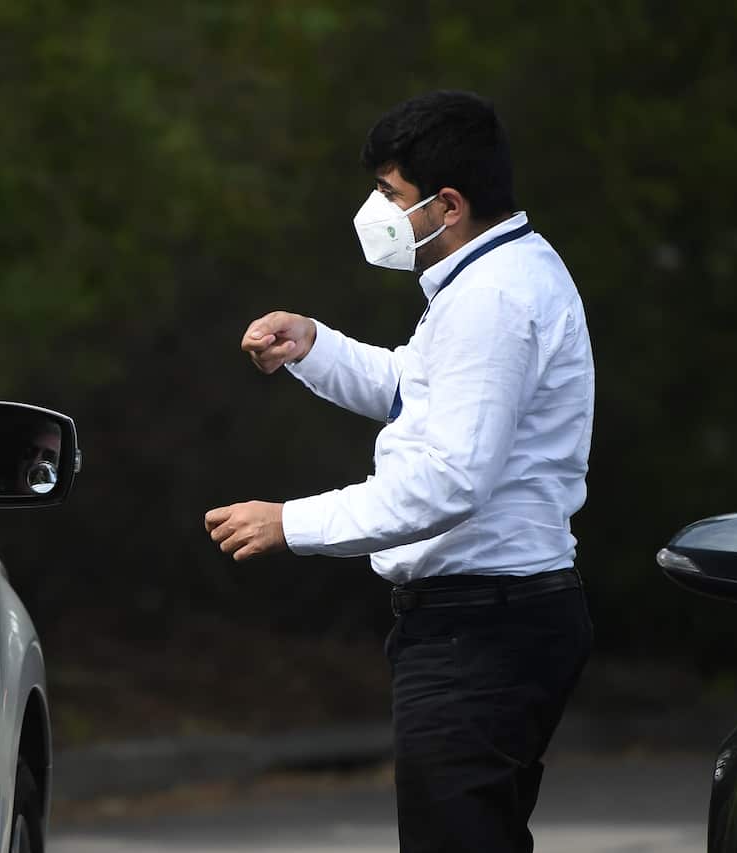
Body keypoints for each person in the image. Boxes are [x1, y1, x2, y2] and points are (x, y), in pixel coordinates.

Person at [203, 91, 595, 852]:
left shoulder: (495, 298)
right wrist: (313, 345)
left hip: (485, 626)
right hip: (488, 620)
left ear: (448, 204)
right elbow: (409, 390)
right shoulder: (487, 278)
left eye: (390, 193)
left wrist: (292, 522)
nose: (375, 209)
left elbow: (452, 479)